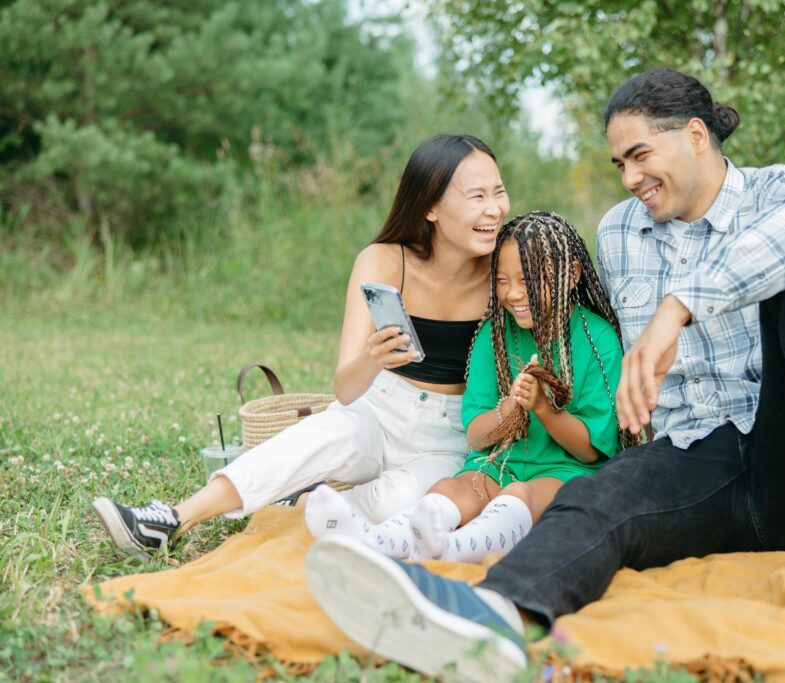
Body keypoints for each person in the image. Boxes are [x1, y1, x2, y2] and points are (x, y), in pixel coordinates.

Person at [303, 68, 785, 683]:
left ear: (695, 135)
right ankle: (494, 618)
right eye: (619, 163)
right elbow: (584, 335)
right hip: (695, 456)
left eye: (640, 155)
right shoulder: (622, 230)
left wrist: (678, 308)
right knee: (590, 494)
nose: (630, 178)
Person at [91, 133, 511, 559]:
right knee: (313, 440)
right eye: (476, 195)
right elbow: (346, 389)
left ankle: (305, 506)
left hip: (449, 437)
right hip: (379, 407)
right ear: (430, 206)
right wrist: (372, 357)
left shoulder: (504, 275)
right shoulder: (385, 260)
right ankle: (171, 519)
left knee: (395, 509)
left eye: (499, 192)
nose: (494, 209)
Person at [303, 212, 631, 563]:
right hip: (497, 464)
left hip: (566, 473)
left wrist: (542, 408)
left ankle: (452, 550)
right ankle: (379, 539)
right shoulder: (494, 337)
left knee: (522, 494)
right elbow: (476, 437)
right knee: (456, 487)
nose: (515, 293)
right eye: (502, 280)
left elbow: (590, 452)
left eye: (529, 279)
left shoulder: (599, 341)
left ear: (573, 275)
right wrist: (509, 409)